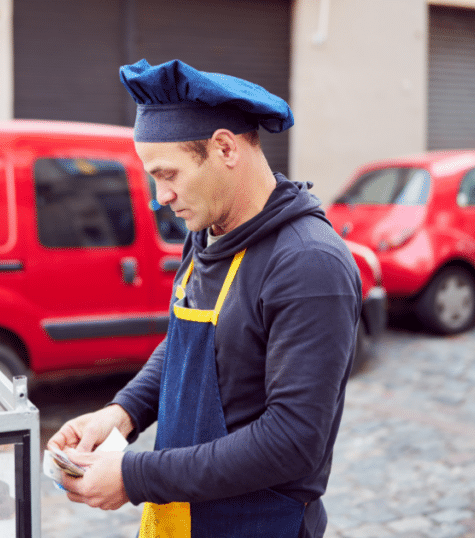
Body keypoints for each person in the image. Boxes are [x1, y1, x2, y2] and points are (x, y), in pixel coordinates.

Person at [47, 59, 362, 538]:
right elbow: (187, 344)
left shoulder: (308, 264)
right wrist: (123, 412)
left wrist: (134, 477)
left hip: (258, 525)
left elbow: (293, 442)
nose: (161, 197)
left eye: (168, 174)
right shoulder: (208, 232)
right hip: (184, 515)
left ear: (224, 148)